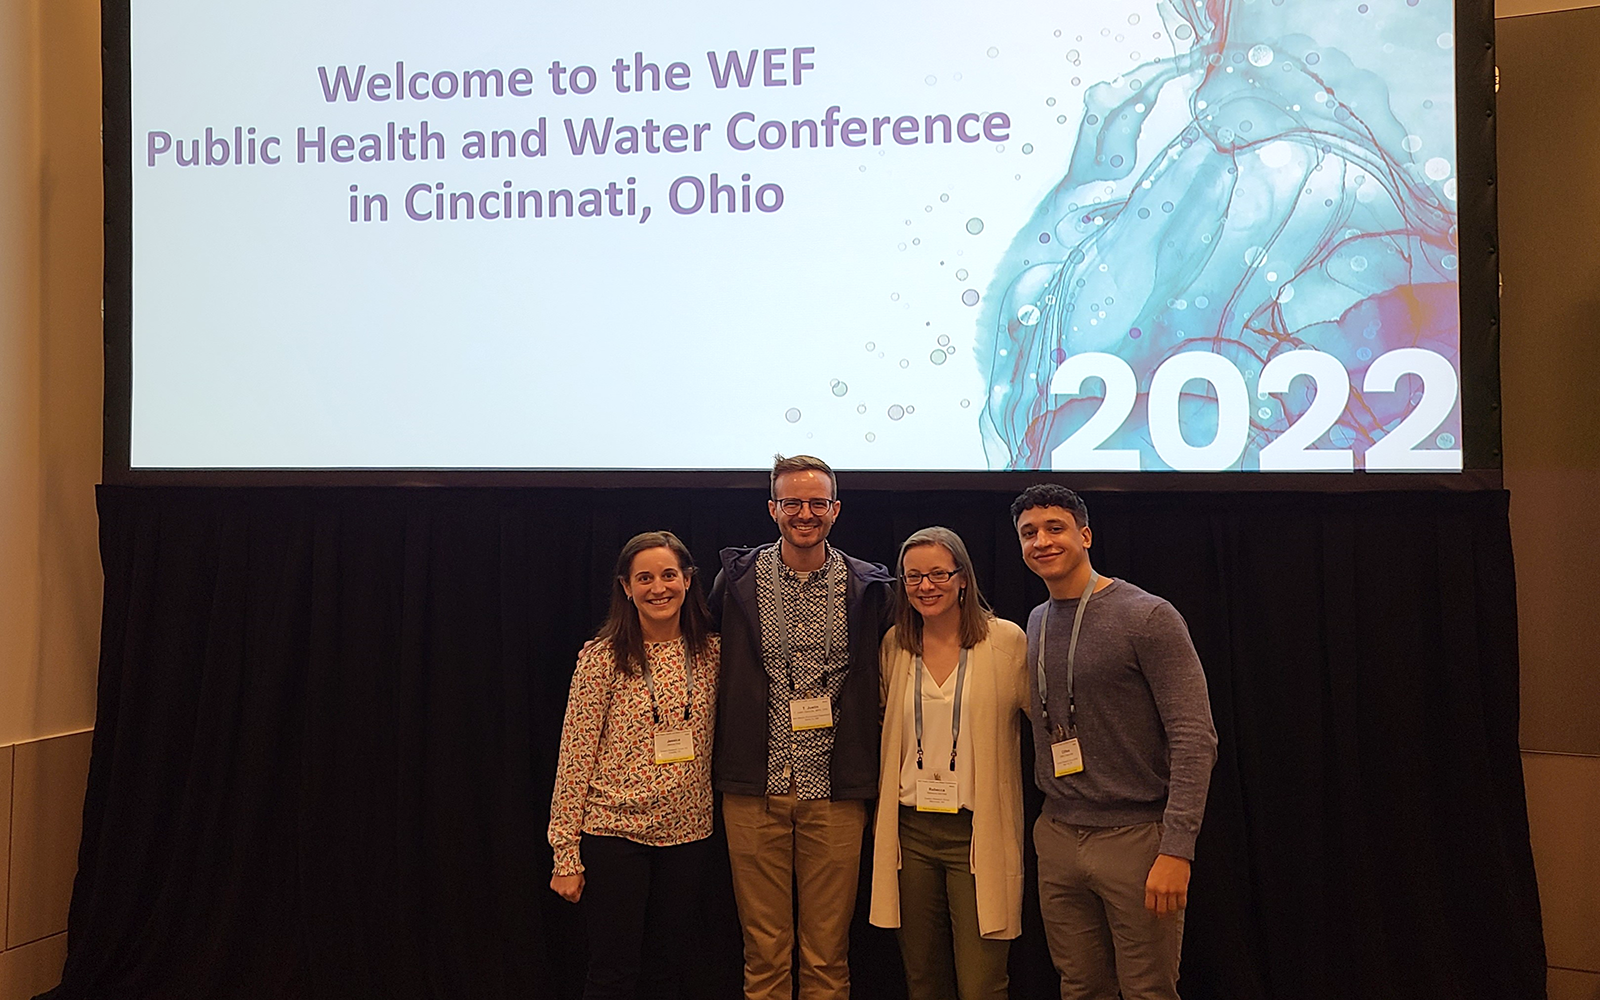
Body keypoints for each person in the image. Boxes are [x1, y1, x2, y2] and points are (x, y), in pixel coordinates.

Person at [1011, 485, 1217, 1000]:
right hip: (1057, 835)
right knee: (1079, 986)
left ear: (1085, 534)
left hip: (1137, 839)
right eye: (1028, 533)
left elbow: (1195, 737)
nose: (1042, 541)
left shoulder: (1146, 616)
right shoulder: (1034, 622)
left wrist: (1177, 849)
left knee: (1147, 988)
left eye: (1054, 528)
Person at [709, 454, 895, 1000]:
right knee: (763, 953)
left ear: (835, 510)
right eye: (792, 502)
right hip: (754, 787)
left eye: (817, 502)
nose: (805, 513)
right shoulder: (737, 579)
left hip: (835, 790)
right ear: (773, 508)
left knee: (826, 956)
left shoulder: (868, 586)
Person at [547, 530, 721, 1000]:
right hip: (614, 834)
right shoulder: (602, 658)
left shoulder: (712, 654)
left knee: (668, 971)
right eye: (644, 578)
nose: (658, 587)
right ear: (626, 587)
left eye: (669, 575)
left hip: (688, 835)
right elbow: (574, 755)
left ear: (688, 580)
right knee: (613, 973)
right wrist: (565, 853)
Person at [869, 526, 1030, 1000]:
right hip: (911, 835)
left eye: (939, 573)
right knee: (923, 980)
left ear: (963, 578)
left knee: (982, 984)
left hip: (977, 834)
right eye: (913, 576)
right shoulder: (896, 645)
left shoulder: (1006, 643)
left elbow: (1046, 723)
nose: (926, 585)